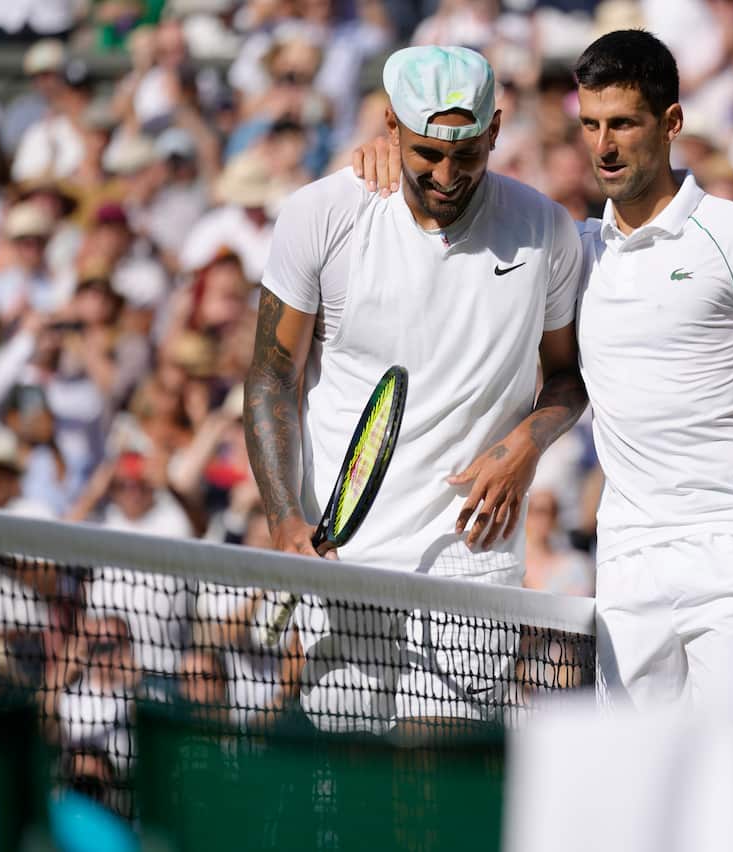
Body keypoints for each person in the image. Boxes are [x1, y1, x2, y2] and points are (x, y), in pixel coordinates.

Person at [354, 30, 733, 754]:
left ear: (671, 123)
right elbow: (456, 193)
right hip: (626, 567)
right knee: (641, 800)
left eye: (622, 123)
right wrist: (378, 157)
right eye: (590, 125)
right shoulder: (574, 248)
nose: (604, 146)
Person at [247, 46, 587, 734]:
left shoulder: (546, 229)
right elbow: (271, 376)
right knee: (347, 797)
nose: (447, 174)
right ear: (391, 128)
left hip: (473, 556)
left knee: (431, 793)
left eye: (466, 154)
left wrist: (527, 444)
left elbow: (569, 374)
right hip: (340, 556)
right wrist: (284, 517)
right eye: (428, 152)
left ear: (495, 132)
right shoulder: (319, 215)